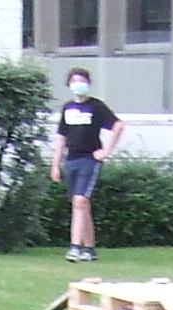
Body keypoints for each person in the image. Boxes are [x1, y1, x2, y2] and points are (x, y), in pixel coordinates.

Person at [50, 68, 120, 264]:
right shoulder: (67, 108)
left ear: (88, 83)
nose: (78, 84)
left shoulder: (96, 106)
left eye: (82, 80)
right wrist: (55, 164)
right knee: (82, 204)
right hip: (71, 160)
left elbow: (118, 125)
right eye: (74, 81)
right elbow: (61, 137)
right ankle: (90, 248)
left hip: (89, 160)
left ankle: (75, 247)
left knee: (80, 201)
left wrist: (106, 151)